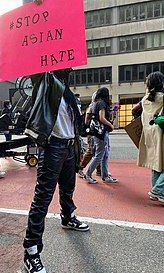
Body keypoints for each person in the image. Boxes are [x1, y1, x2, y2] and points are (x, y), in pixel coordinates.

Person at [23, 69, 89, 273]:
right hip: (52, 147)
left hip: (69, 146)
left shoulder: (67, 92)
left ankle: (68, 217)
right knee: (43, 198)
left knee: (68, 187)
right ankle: (31, 250)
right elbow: (36, 72)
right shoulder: (44, 84)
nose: (69, 70)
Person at [138, 71, 164, 204]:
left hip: (149, 134)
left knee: (156, 162)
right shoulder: (162, 98)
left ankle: (157, 192)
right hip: (161, 134)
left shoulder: (145, 100)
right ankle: (158, 190)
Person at [85, 87, 117, 184]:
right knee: (100, 154)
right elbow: (102, 118)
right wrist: (111, 125)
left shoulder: (95, 103)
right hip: (102, 132)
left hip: (97, 131)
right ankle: (89, 174)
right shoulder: (102, 103)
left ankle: (105, 175)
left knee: (104, 154)